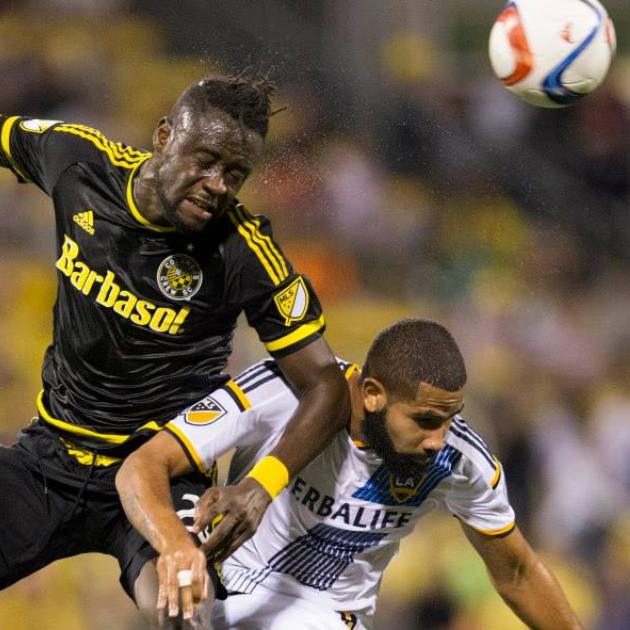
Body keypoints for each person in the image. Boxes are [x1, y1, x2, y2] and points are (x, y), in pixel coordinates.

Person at [0, 73, 349, 626]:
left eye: (236, 174)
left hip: (161, 476)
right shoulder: (79, 164)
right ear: (164, 137)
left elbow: (328, 385)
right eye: (206, 160)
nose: (218, 185)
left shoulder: (244, 252)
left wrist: (260, 489)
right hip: (51, 457)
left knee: (184, 613)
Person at [117, 318, 584, 629]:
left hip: (328, 616)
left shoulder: (460, 459)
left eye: (449, 418)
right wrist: (178, 546)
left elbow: (519, 573)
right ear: (374, 394)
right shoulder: (286, 392)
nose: (439, 438)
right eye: (424, 420)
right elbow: (145, 464)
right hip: (220, 598)